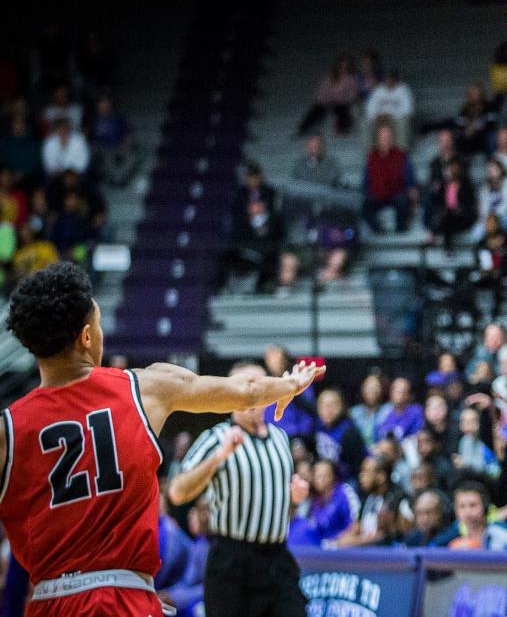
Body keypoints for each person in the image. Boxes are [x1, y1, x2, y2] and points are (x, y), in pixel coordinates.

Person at [0, 263, 321, 616]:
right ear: (87, 337)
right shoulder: (143, 388)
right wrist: (290, 384)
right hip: (126, 599)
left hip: (51, 601)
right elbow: (245, 390)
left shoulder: (9, 430)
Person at [168, 361, 313, 617]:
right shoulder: (215, 437)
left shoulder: (280, 439)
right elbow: (177, 492)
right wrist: (218, 458)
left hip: (277, 558)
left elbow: (273, 509)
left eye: (259, 385)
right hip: (231, 562)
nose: (253, 392)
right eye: (245, 386)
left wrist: (294, 500)